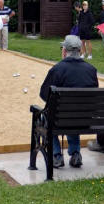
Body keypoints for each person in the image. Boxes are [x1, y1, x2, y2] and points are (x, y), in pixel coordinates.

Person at [40, 35, 99, 169]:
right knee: (74, 112)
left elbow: (44, 94)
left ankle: (56, 155)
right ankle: (75, 153)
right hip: (86, 119)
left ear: (64, 51)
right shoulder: (91, 70)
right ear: (80, 51)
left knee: (48, 117)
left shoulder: (57, 69)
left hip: (62, 118)